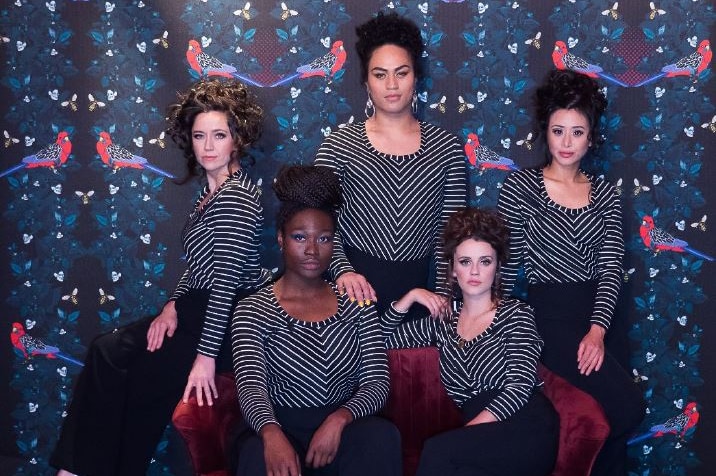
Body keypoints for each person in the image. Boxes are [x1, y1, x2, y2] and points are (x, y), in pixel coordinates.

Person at [51, 78, 272, 476]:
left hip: (220, 322)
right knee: (108, 351)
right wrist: (171, 305)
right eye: (200, 135)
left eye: (219, 135)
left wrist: (205, 358)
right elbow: (199, 266)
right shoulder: (210, 194)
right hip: (192, 310)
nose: (207, 146)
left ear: (236, 141)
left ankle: (79, 471)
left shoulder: (237, 198)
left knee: (130, 371)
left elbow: (224, 283)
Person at [496, 69, 645, 475]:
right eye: (558, 131)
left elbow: (611, 268)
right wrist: (498, 329)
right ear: (545, 131)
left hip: (601, 318)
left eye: (577, 133)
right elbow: (505, 267)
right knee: (625, 409)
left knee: (611, 421)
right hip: (551, 321)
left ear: (591, 137)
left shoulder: (606, 194)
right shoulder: (520, 187)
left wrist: (597, 331)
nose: (566, 143)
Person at [231, 165, 401, 476]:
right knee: (258, 458)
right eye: (299, 237)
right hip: (280, 428)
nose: (312, 250)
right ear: (281, 239)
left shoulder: (357, 302)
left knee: (380, 436)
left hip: (342, 427)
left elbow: (377, 383)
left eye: (324, 239)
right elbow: (252, 388)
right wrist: (271, 434)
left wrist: (339, 419)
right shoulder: (252, 310)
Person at [314, 11, 467, 318]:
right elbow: (318, 223)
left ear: (416, 77)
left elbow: (451, 234)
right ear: (366, 82)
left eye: (402, 72)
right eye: (380, 74)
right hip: (348, 298)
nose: (392, 84)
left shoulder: (447, 149)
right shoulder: (338, 146)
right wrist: (343, 272)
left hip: (419, 298)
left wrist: (441, 296)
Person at [384, 207, 559, 476]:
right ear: (453, 269)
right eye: (465, 262)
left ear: (497, 266)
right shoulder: (443, 319)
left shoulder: (516, 315)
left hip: (524, 423)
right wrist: (409, 298)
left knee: (438, 452)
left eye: (485, 262)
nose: (475, 271)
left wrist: (462, 438)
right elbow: (381, 341)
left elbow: (520, 386)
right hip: (477, 437)